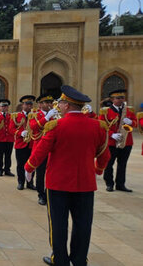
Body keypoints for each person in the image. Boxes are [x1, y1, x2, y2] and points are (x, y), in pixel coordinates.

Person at [24, 85, 110, 266]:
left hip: (58, 184)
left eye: (61, 103)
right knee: (83, 224)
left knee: (58, 224)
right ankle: (79, 260)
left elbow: (41, 151)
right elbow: (104, 154)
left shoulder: (56, 125)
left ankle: (60, 259)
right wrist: (98, 169)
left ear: (67, 105)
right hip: (85, 184)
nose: (58, 106)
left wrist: (29, 168)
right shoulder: (98, 126)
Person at [99, 89, 137, 192]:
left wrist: (131, 123)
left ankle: (120, 184)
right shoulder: (106, 112)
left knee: (122, 164)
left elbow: (136, 123)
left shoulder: (129, 111)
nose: (121, 100)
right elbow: (102, 127)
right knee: (109, 163)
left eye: (122, 98)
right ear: (112, 99)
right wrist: (112, 134)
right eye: (118, 98)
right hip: (112, 142)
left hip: (126, 141)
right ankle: (109, 183)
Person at [29, 94, 57, 205]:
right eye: (47, 103)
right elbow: (33, 127)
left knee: (52, 172)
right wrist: (46, 118)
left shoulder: (55, 115)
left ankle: (49, 193)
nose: (50, 105)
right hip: (40, 147)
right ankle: (41, 194)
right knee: (40, 173)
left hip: (53, 149)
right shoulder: (34, 115)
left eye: (51, 102)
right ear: (40, 104)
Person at [9, 95, 36, 191]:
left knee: (32, 164)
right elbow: (11, 129)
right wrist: (20, 133)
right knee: (20, 165)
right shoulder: (16, 116)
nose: (29, 106)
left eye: (30, 104)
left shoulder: (35, 115)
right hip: (21, 144)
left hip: (32, 144)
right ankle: (21, 182)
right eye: (27, 104)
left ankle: (30, 183)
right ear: (22, 105)